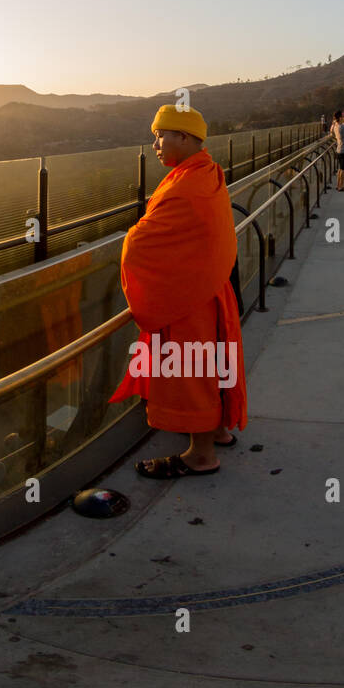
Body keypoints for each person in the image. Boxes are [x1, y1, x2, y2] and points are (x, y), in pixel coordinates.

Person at [113, 104, 248, 479]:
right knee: (210, 366)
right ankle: (216, 431)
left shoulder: (188, 183)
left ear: (184, 138)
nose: (155, 143)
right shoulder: (207, 172)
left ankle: (201, 455)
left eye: (161, 135)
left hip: (191, 300)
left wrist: (132, 238)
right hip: (209, 289)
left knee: (191, 372)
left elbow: (141, 244)